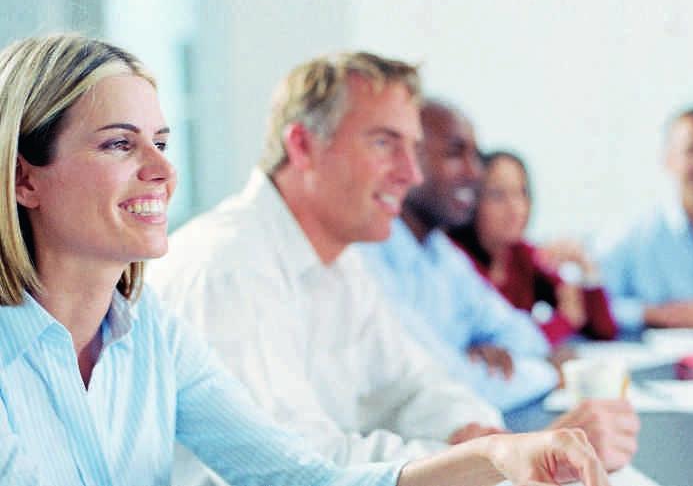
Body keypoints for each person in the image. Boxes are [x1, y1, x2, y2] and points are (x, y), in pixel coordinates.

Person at [0, 34, 612, 486]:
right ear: (24, 178)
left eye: (160, 143)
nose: (162, 171)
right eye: (118, 144)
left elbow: (296, 475)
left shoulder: (150, 332)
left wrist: (497, 455)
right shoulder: (225, 268)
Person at [150, 51, 633, 483]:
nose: (412, 173)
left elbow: (412, 384)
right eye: (385, 144)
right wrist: (489, 459)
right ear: (302, 146)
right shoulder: (230, 268)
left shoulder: (340, 261)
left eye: (412, 146)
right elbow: (301, 470)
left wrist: (477, 433)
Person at [358, 98, 638, 463]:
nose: (474, 173)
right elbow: (454, 381)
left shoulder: (442, 253)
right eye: (456, 154)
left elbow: (525, 335)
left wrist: (508, 355)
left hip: (470, 434)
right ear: (409, 160)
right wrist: (549, 373)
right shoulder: (368, 255)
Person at [448, 149, 617, 346]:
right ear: (472, 200)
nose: (515, 207)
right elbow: (504, 344)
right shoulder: (455, 259)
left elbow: (604, 330)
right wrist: (564, 321)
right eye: (498, 195)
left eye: (522, 193)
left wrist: (587, 269)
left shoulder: (521, 254)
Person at [598, 107, 693, 331]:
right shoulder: (633, 231)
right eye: (691, 151)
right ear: (668, 158)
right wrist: (656, 314)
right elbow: (596, 305)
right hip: (656, 359)